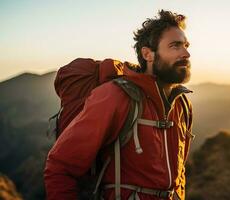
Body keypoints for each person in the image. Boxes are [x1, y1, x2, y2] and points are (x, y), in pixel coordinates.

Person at [44, 9, 194, 200]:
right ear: (148, 54)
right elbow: (60, 167)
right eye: (175, 46)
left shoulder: (182, 104)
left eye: (186, 45)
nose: (186, 53)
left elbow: (178, 177)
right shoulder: (116, 96)